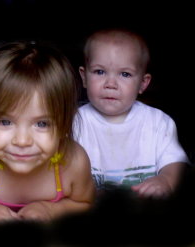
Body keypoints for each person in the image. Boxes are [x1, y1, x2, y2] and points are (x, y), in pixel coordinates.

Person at [0, 41, 95, 223]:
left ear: (64, 123)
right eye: (5, 121)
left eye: (42, 124)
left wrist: (52, 210)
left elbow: (84, 204)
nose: (22, 141)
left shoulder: (74, 162)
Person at [74, 28, 189, 198]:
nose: (110, 84)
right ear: (84, 77)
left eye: (125, 74)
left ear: (143, 83)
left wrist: (166, 180)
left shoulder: (157, 122)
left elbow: (176, 161)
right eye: (99, 72)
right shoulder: (75, 121)